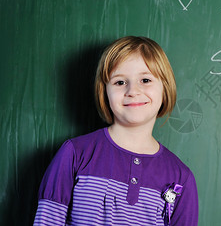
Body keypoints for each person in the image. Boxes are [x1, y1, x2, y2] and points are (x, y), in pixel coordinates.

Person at [33, 36, 198, 226]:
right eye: (120, 82)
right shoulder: (75, 153)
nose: (133, 91)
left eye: (145, 80)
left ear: (165, 89)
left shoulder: (180, 177)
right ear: (104, 91)